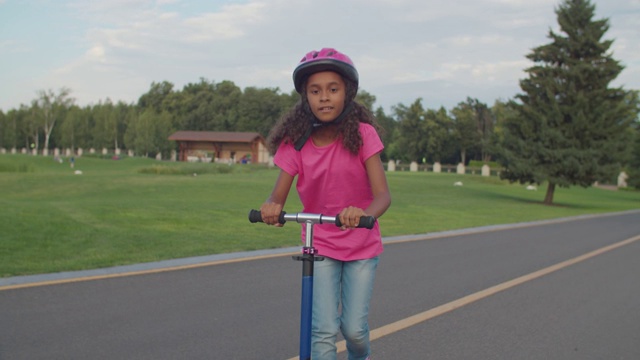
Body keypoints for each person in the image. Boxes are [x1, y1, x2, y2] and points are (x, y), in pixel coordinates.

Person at [259, 48, 391, 360]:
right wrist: (271, 209)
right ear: (306, 97)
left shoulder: (363, 134)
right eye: (315, 91)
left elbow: (383, 196)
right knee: (322, 331)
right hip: (320, 245)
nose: (325, 98)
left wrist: (362, 214)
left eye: (333, 89)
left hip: (361, 244)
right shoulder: (296, 143)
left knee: (354, 331)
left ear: (348, 92)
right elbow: (276, 198)